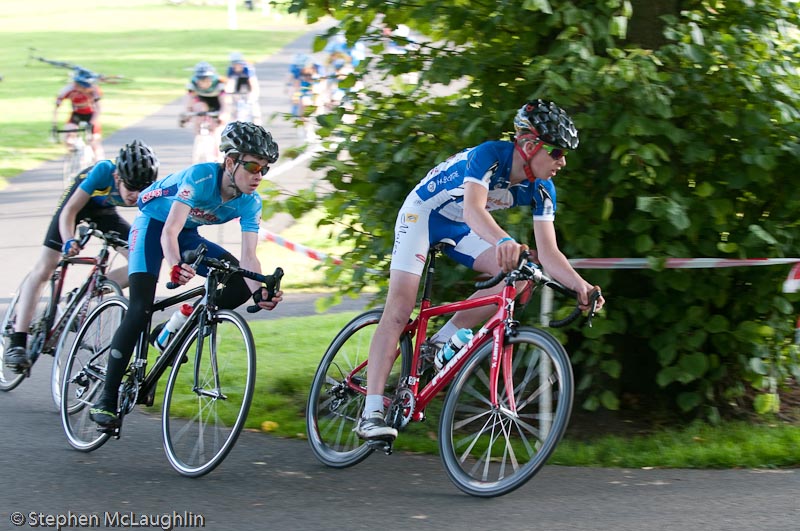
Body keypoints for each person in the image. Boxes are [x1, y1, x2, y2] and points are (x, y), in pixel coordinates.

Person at [355, 100, 606, 441]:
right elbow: (474, 210)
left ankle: (437, 345)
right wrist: (504, 240)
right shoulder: (490, 155)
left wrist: (581, 286)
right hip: (423, 216)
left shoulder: (543, 189)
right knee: (399, 310)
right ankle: (370, 412)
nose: (563, 161)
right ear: (531, 146)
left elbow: (548, 252)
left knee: (522, 277)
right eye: (558, 152)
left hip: (458, 227)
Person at [88, 121, 284, 428]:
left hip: (187, 233)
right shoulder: (200, 177)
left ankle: (171, 330)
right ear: (230, 162)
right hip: (154, 227)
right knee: (140, 308)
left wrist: (261, 289)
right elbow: (169, 232)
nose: (258, 175)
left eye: (264, 169)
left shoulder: (251, 202)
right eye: (252, 166)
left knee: (237, 283)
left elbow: (249, 258)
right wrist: (176, 265)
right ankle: (107, 397)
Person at [4, 140, 159, 373]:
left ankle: (84, 294)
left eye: (143, 189)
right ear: (118, 177)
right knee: (46, 266)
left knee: (141, 263)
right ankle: (17, 340)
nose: (136, 195)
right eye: (131, 187)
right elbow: (69, 212)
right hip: (76, 206)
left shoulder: (147, 191)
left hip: (105, 213)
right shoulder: (104, 171)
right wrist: (68, 240)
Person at [52, 67, 106, 162]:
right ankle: (76, 155)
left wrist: (92, 122)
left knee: (94, 142)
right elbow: (56, 108)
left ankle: (100, 164)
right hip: (77, 114)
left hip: (91, 114)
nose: (86, 90)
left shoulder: (94, 90)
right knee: (68, 137)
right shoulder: (68, 90)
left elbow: (98, 108)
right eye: (83, 87)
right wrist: (54, 125)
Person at [180, 61, 228, 161]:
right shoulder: (192, 85)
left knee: (216, 129)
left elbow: (224, 104)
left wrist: (222, 115)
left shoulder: (219, 84)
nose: (204, 82)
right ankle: (198, 135)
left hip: (216, 102)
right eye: (201, 80)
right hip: (201, 101)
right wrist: (187, 115)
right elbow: (189, 103)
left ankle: (218, 156)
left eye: (206, 79)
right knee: (199, 109)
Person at [225, 52, 262, 125]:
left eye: (239, 64)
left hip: (247, 83)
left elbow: (253, 84)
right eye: (234, 64)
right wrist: (228, 94)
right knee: (233, 106)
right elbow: (229, 83)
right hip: (237, 84)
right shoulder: (230, 69)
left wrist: (253, 96)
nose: (237, 66)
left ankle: (258, 124)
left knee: (254, 106)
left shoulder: (247, 69)